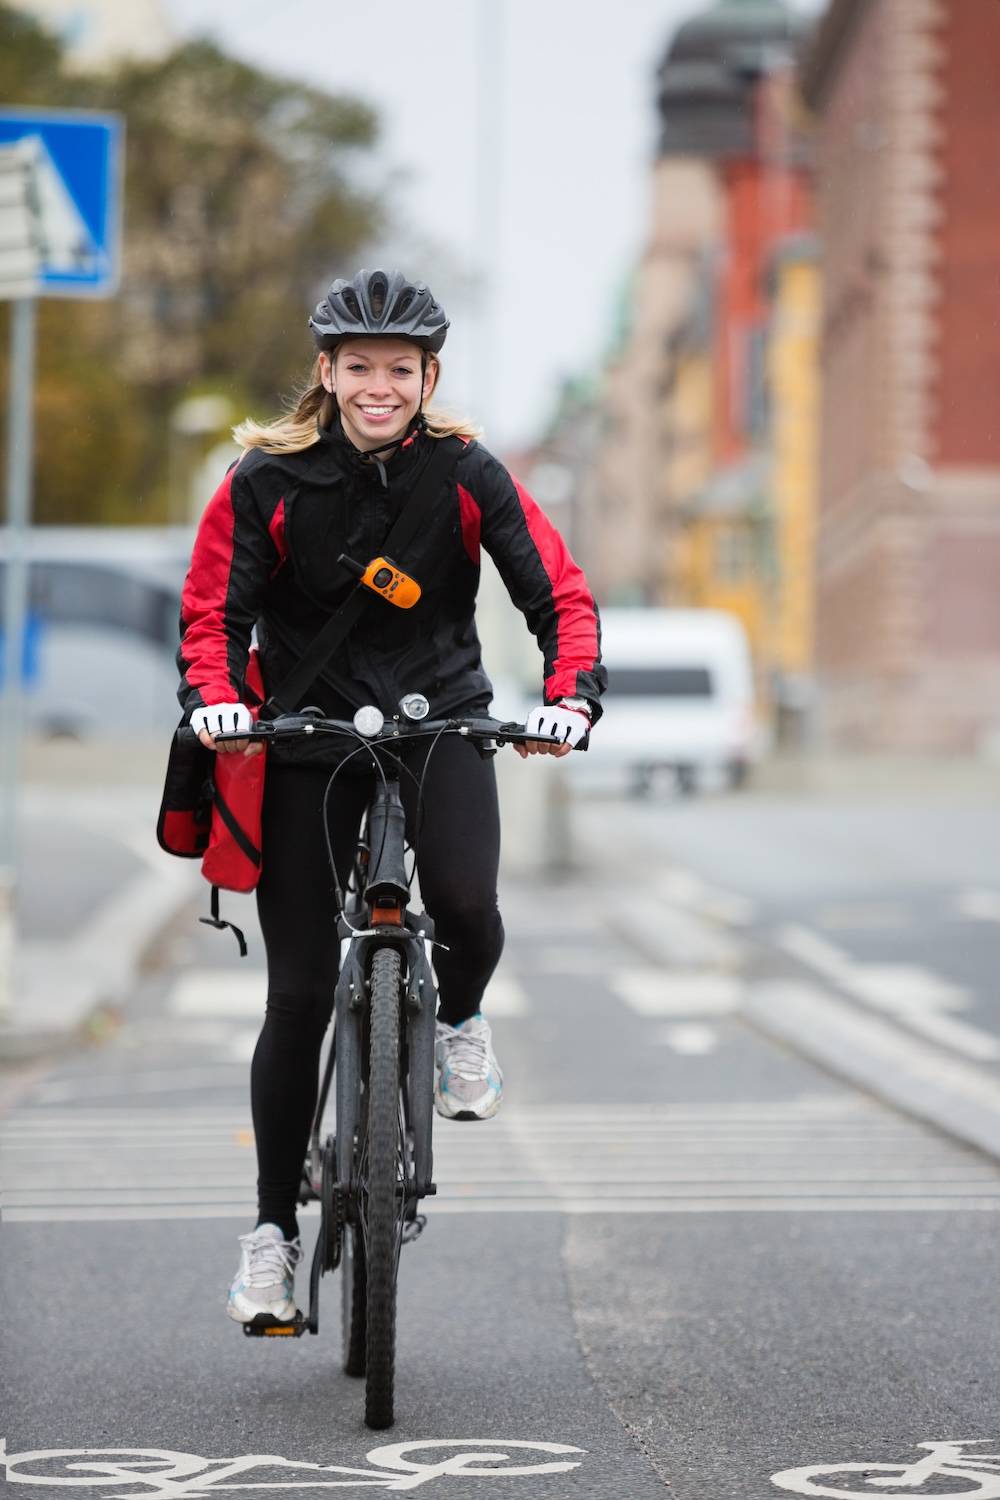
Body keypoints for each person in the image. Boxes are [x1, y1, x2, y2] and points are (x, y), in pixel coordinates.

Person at [175, 269, 606, 1326]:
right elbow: (211, 618)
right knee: (297, 998)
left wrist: (571, 696)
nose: (379, 385)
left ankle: (458, 1020)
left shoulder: (464, 473)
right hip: (304, 734)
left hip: (440, 716)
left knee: (463, 903)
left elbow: (553, 591)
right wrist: (218, 702)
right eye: (358, 367)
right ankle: (273, 1233)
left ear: (428, 377)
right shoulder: (263, 482)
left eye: (398, 370)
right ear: (325, 373)